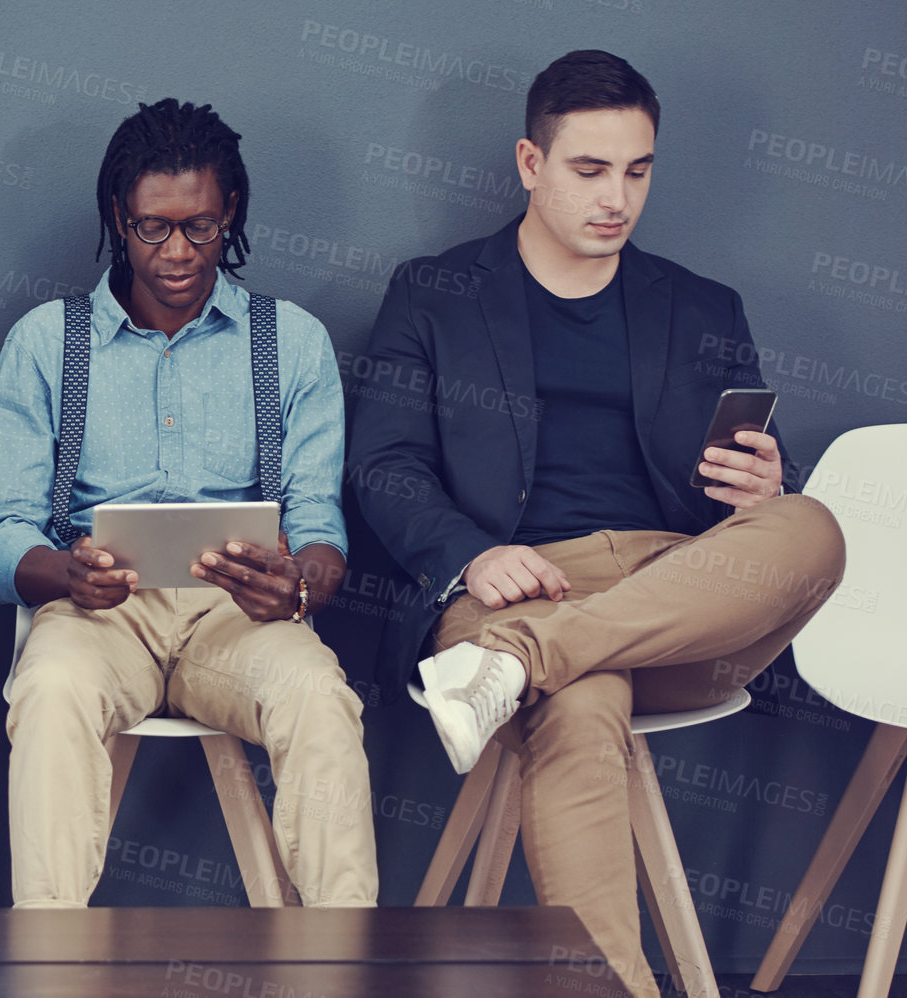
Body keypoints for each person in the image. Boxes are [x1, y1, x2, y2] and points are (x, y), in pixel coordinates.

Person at [347, 49, 846, 996]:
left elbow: (733, 502)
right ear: (530, 165)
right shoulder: (435, 293)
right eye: (588, 170)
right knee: (579, 708)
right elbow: (383, 464)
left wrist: (760, 490)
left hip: (670, 594)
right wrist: (470, 556)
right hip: (514, 582)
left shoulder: (701, 305)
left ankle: (519, 664)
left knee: (814, 524)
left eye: (636, 170)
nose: (616, 197)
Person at [0, 98, 377, 909]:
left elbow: (318, 523)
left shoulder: (288, 341)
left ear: (230, 215)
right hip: (98, 618)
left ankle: (343, 963)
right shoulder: (46, 342)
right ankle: (47, 966)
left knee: (319, 698)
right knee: (48, 693)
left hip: (237, 620)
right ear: (118, 221)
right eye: (153, 228)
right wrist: (63, 572)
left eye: (200, 227)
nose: (179, 251)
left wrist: (298, 583)